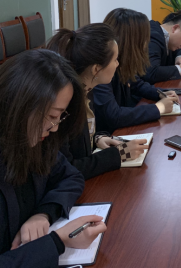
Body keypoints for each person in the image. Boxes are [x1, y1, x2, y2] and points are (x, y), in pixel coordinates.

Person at [0, 49, 107, 267]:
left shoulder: (29, 134)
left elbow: (70, 176)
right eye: (52, 116)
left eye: (60, 116)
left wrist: (43, 214)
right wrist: (58, 242)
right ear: (18, 105)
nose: (54, 128)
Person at [47, 24, 148, 180]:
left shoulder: (87, 89)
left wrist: (97, 139)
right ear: (96, 69)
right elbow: (67, 168)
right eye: (115, 59)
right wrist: (118, 155)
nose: (118, 64)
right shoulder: (64, 105)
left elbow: (82, 140)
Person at [92, 8, 179, 136]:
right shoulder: (101, 68)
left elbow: (136, 83)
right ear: (131, 41)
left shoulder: (121, 61)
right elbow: (114, 116)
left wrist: (160, 93)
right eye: (144, 39)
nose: (146, 45)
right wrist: (158, 108)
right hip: (106, 137)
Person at [143, 11, 181, 84]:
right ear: (175, 28)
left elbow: (178, 50)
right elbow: (151, 72)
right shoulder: (153, 36)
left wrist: (179, 57)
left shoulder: (165, 36)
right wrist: (180, 69)